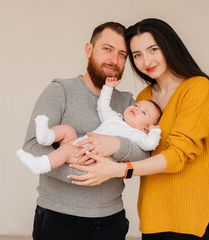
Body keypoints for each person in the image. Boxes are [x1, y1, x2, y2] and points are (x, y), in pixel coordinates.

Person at [68, 18, 209, 240]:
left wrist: (118, 169)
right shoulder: (144, 98)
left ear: (169, 46)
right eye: (137, 55)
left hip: (191, 217)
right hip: (153, 215)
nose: (146, 61)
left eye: (153, 49)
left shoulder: (198, 89)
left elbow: (176, 157)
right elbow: (139, 150)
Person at [21, 22, 150, 240]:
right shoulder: (60, 91)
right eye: (107, 49)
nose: (114, 60)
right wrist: (82, 173)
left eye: (122, 54)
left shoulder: (130, 104)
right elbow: (32, 147)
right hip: (57, 217)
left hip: (111, 220)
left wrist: (116, 146)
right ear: (89, 50)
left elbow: (145, 154)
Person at [17, 77, 161, 174]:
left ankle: (40, 165)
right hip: (79, 145)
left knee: (66, 150)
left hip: (88, 159)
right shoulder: (115, 118)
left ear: (145, 128)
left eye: (143, 112)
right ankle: (46, 136)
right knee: (68, 130)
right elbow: (102, 107)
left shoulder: (138, 135)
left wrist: (154, 133)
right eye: (136, 105)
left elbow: (149, 145)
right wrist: (108, 88)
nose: (136, 108)